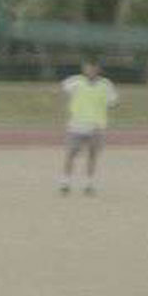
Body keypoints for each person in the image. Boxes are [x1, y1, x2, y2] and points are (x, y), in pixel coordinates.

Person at [59, 59, 118, 195]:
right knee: (71, 153)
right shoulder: (75, 81)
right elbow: (62, 92)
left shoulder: (106, 85)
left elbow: (113, 102)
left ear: (98, 69)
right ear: (84, 68)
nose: (90, 71)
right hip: (77, 125)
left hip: (96, 126)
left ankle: (89, 184)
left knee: (92, 155)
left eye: (93, 68)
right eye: (87, 68)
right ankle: (65, 182)